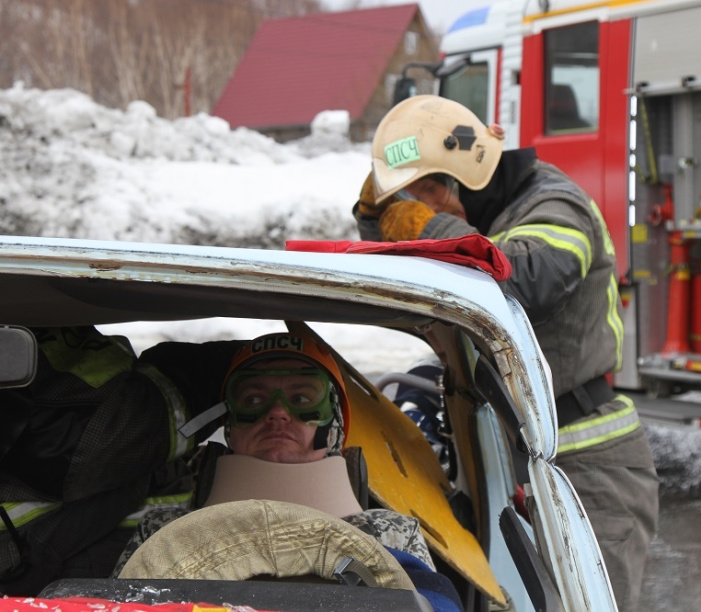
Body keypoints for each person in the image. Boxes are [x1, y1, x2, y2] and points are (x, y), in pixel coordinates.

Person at [353, 95, 659, 612]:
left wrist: (427, 230)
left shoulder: (556, 203)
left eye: (424, 196)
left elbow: (529, 280)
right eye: (411, 202)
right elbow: (402, 278)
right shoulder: (483, 219)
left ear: (459, 179)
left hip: (587, 463)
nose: (423, 212)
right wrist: (374, 220)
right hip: (505, 453)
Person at [113, 331, 461, 611]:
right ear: (229, 424)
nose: (277, 413)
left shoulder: (391, 534)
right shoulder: (163, 531)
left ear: (334, 424)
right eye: (252, 400)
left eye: (302, 399)